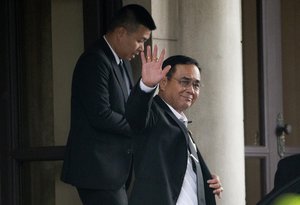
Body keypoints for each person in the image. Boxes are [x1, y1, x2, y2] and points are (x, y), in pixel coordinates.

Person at [60, 4, 156, 205]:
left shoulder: (123, 63)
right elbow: (100, 114)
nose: (141, 48)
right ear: (121, 32)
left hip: (115, 171)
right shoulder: (94, 60)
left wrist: (147, 88)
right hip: (97, 171)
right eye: (140, 40)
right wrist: (137, 128)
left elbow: (128, 107)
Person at [125, 47, 224, 205]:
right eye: (184, 82)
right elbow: (135, 115)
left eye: (196, 85)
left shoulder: (181, 122)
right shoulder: (154, 113)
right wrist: (146, 86)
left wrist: (205, 180)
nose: (191, 90)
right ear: (163, 83)